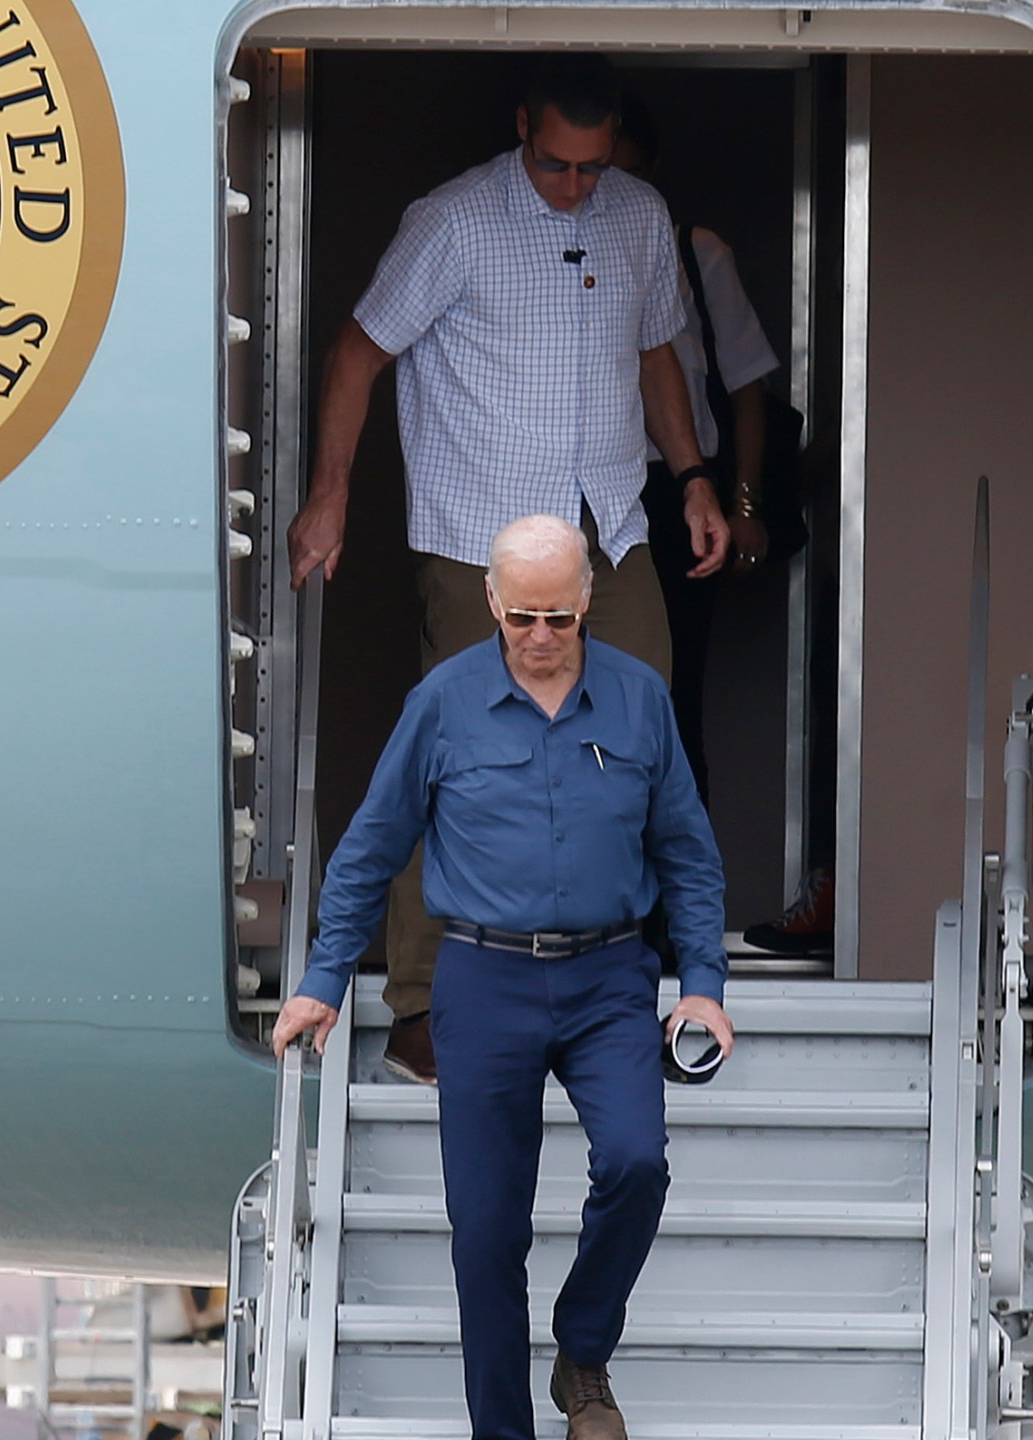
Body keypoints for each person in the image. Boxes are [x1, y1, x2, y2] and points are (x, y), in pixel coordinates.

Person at [286, 55, 731, 1085]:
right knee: (459, 761)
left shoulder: (638, 214)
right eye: (553, 163)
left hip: (610, 527)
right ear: (521, 125)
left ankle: (621, 984)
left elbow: (658, 352)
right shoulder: (454, 220)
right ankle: (422, 1010)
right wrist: (331, 492)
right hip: (480, 535)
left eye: (590, 165)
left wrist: (695, 478)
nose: (573, 183)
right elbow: (357, 351)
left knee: (637, 743)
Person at [273, 514, 735, 1440]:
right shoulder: (442, 704)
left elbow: (687, 853)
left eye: (559, 618)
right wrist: (324, 978)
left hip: (609, 979)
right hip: (483, 980)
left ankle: (582, 1348)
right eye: (522, 616)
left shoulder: (639, 700)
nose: (539, 637)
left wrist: (704, 985)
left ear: (588, 600)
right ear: (490, 601)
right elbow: (370, 849)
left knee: (639, 1163)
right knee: (486, 1236)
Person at [613, 100, 783, 799]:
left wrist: (741, 501)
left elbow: (745, 390)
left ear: (651, 177)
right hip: (584, 488)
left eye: (621, 177)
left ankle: (676, 906)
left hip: (680, 491)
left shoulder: (693, 252)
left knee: (674, 697)